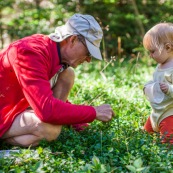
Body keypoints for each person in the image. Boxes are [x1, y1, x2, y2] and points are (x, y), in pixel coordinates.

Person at [0, 13, 114, 147]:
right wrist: (93, 112)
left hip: (15, 107)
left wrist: (78, 123)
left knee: (67, 74)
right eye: (88, 52)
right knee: (49, 129)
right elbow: (46, 110)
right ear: (72, 40)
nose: (89, 59)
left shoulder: (51, 53)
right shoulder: (30, 52)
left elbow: (45, 95)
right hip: (4, 112)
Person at [143, 22, 173, 143]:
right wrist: (149, 85)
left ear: (168, 47)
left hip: (169, 113)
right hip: (156, 112)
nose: (150, 55)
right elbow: (157, 81)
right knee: (145, 134)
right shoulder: (160, 65)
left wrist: (169, 89)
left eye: (152, 51)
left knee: (167, 142)